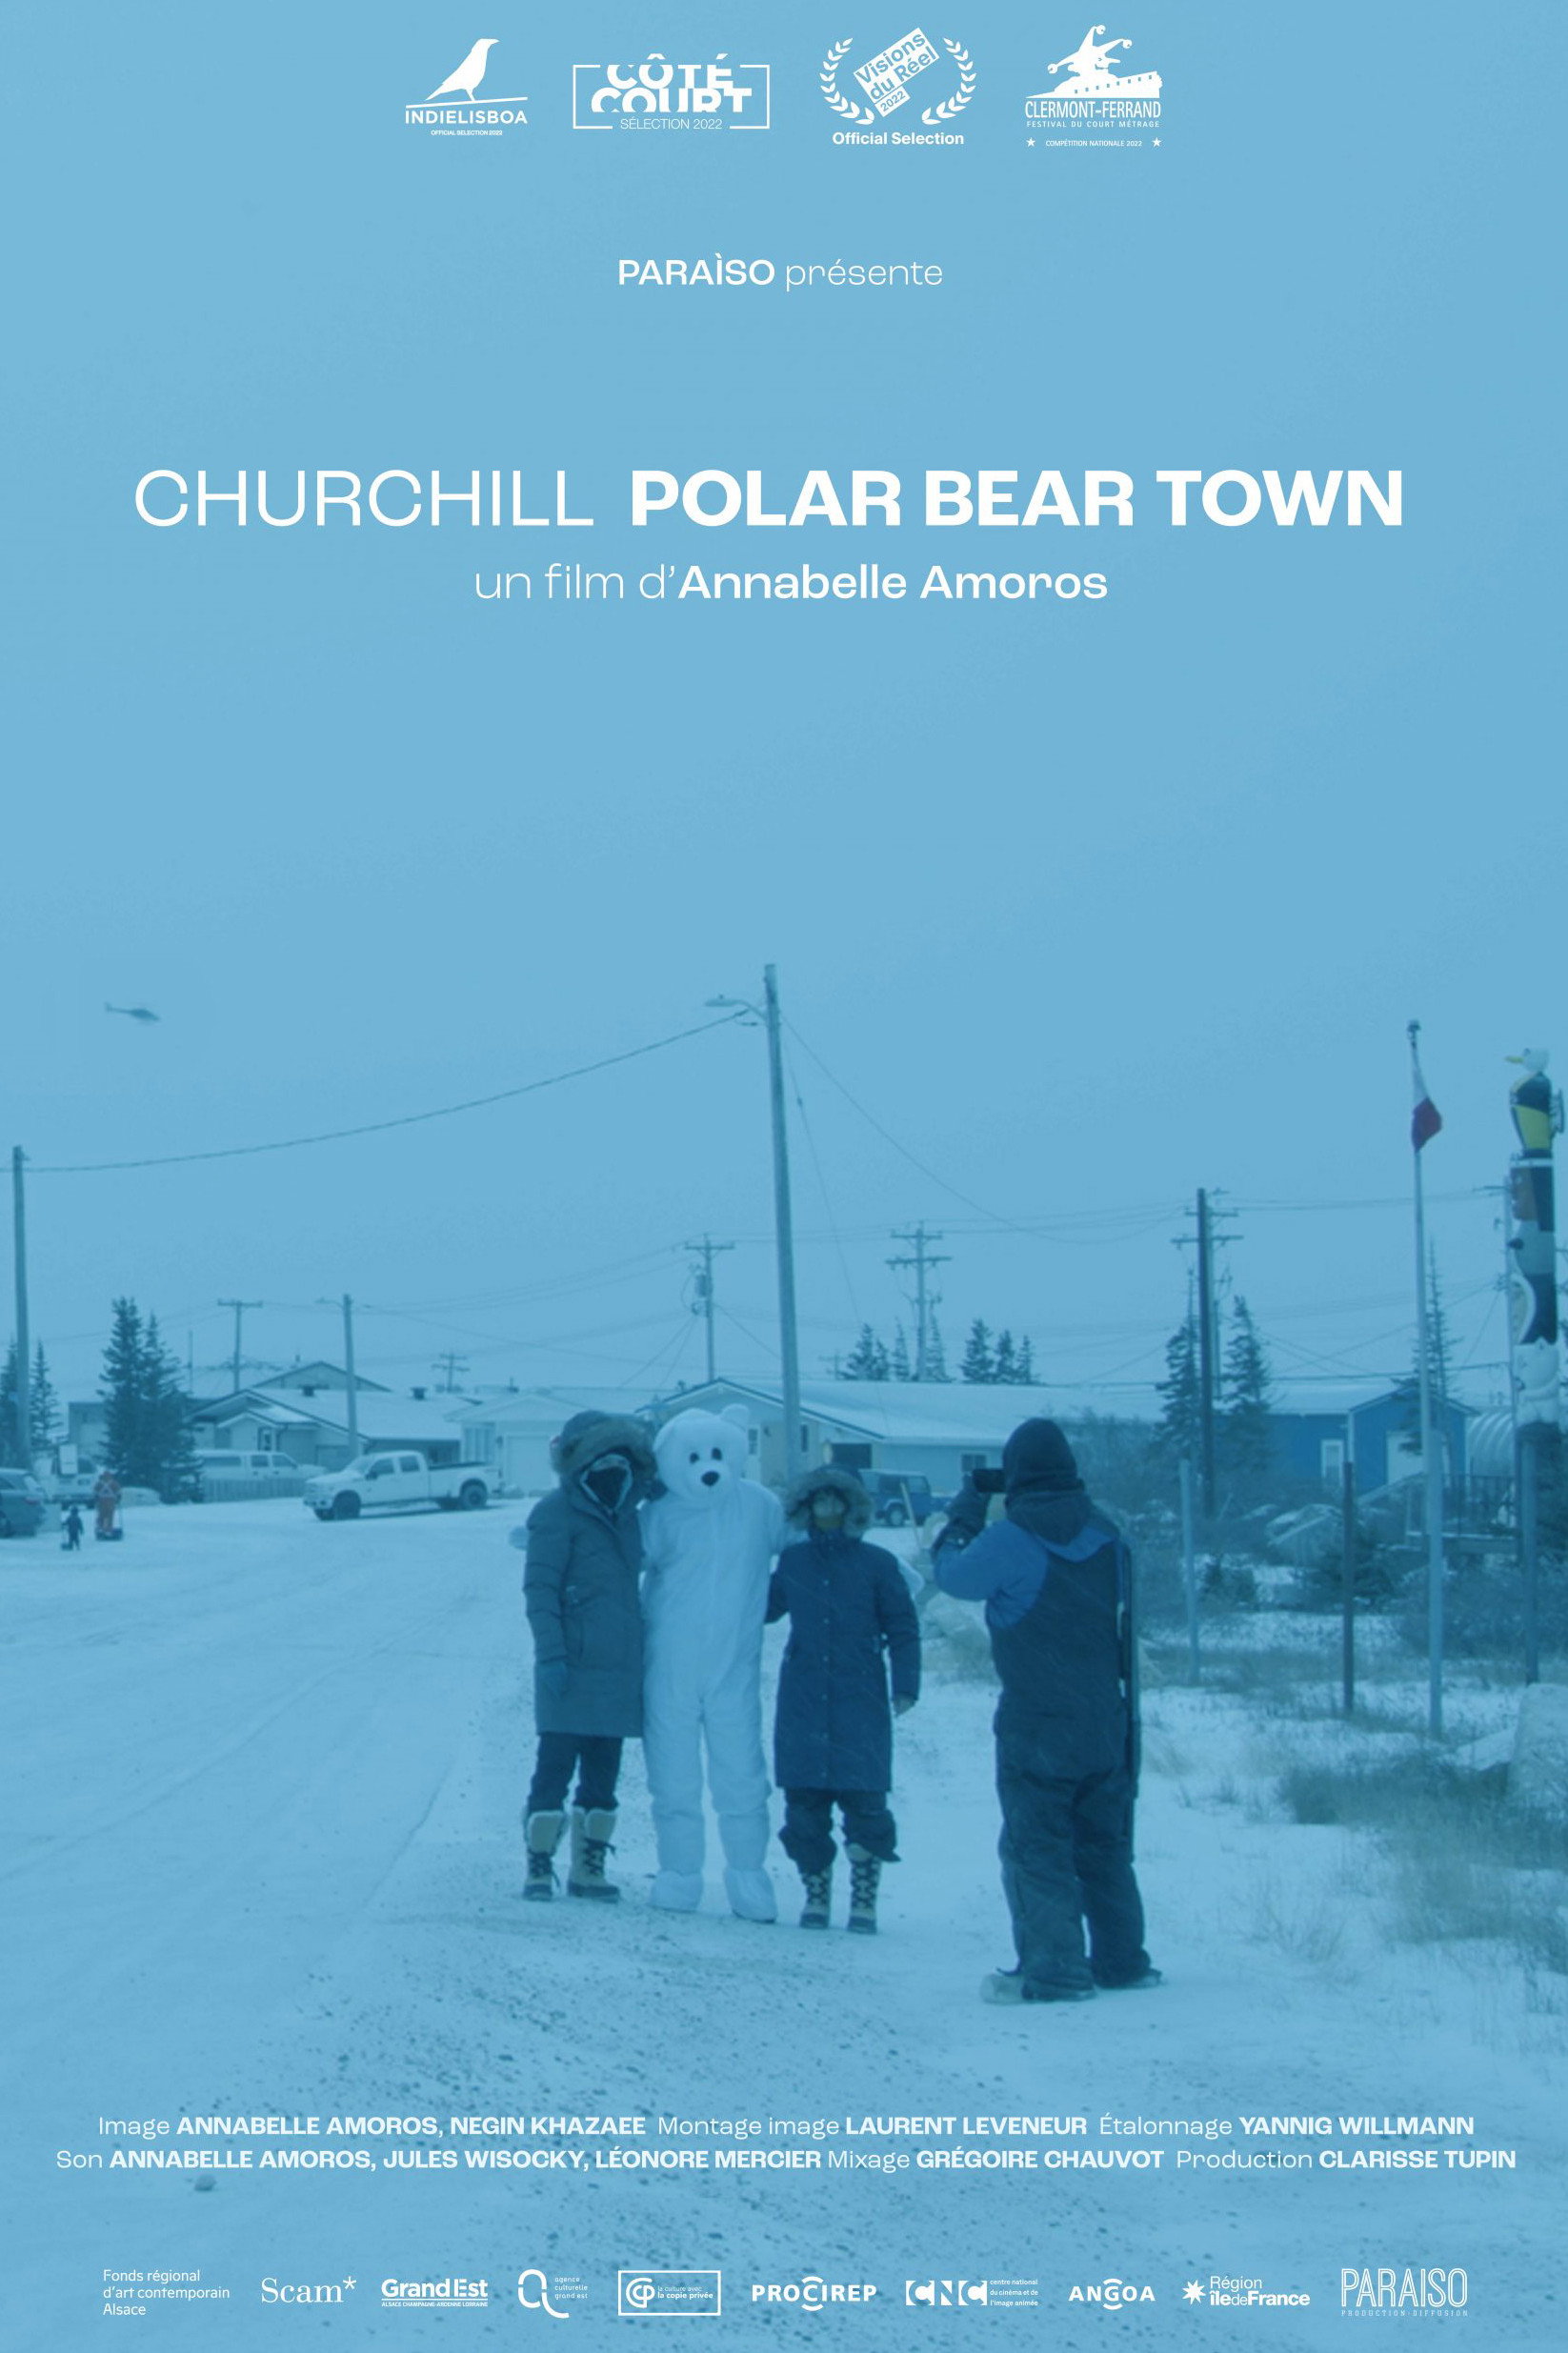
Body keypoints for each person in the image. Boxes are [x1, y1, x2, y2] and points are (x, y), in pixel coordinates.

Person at [933, 1418, 1159, 2004]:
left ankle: (1056, 1971)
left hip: (1038, 1722)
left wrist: (964, 1513)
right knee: (1104, 1844)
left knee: (1037, 1845)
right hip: (1105, 1718)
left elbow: (952, 1576)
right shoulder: (1109, 1534)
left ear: (1015, 1475)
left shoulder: (1010, 1539)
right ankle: (1122, 1962)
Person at [640, 1409, 785, 1921]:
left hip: (734, 1668)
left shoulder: (760, 1507)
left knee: (742, 1774)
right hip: (668, 1667)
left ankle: (748, 1874)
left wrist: (887, 1573)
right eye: (695, 1457)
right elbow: (612, 1559)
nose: (708, 1468)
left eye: (718, 1455)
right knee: (672, 1776)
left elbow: (812, 1548)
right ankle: (679, 1873)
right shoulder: (658, 1514)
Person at [767, 1466, 920, 1935]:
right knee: (804, 1802)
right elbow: (761, 1609)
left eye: (837, 1501)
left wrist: (906, 1685)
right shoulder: (794, 1562)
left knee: (865, 1800)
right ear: (806, 1508)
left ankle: (864, 1898)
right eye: (820, 1501)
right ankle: (815, 1893)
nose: (829, 1510)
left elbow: (903, 1627)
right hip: (803, 1696)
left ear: (854, 1508)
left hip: (861, 1695)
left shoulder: (877, 1564)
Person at [513, 1413, 656, 1903]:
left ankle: (589, 1868)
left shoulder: (631, 1513)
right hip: (570, 1667)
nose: (612, 1468)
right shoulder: (555, 1513)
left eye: (622, 1459)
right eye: (602, 1458)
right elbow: (540, 1590)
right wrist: (551, 1654)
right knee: (553, 1769)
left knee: (603, 1775)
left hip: (619, 1670)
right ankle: (539, 1863)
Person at [91, 1470, 120, 1540]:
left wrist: (95, 1498)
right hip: (110, 1502)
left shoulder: (99, 1484)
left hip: (102, 1502)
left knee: (102, 1516)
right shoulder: (114, 1483)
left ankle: (102, 1528)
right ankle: (108, 1528)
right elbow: (118, 1492)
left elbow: (94, 1492)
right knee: (109, 1516)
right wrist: (118, 1498)